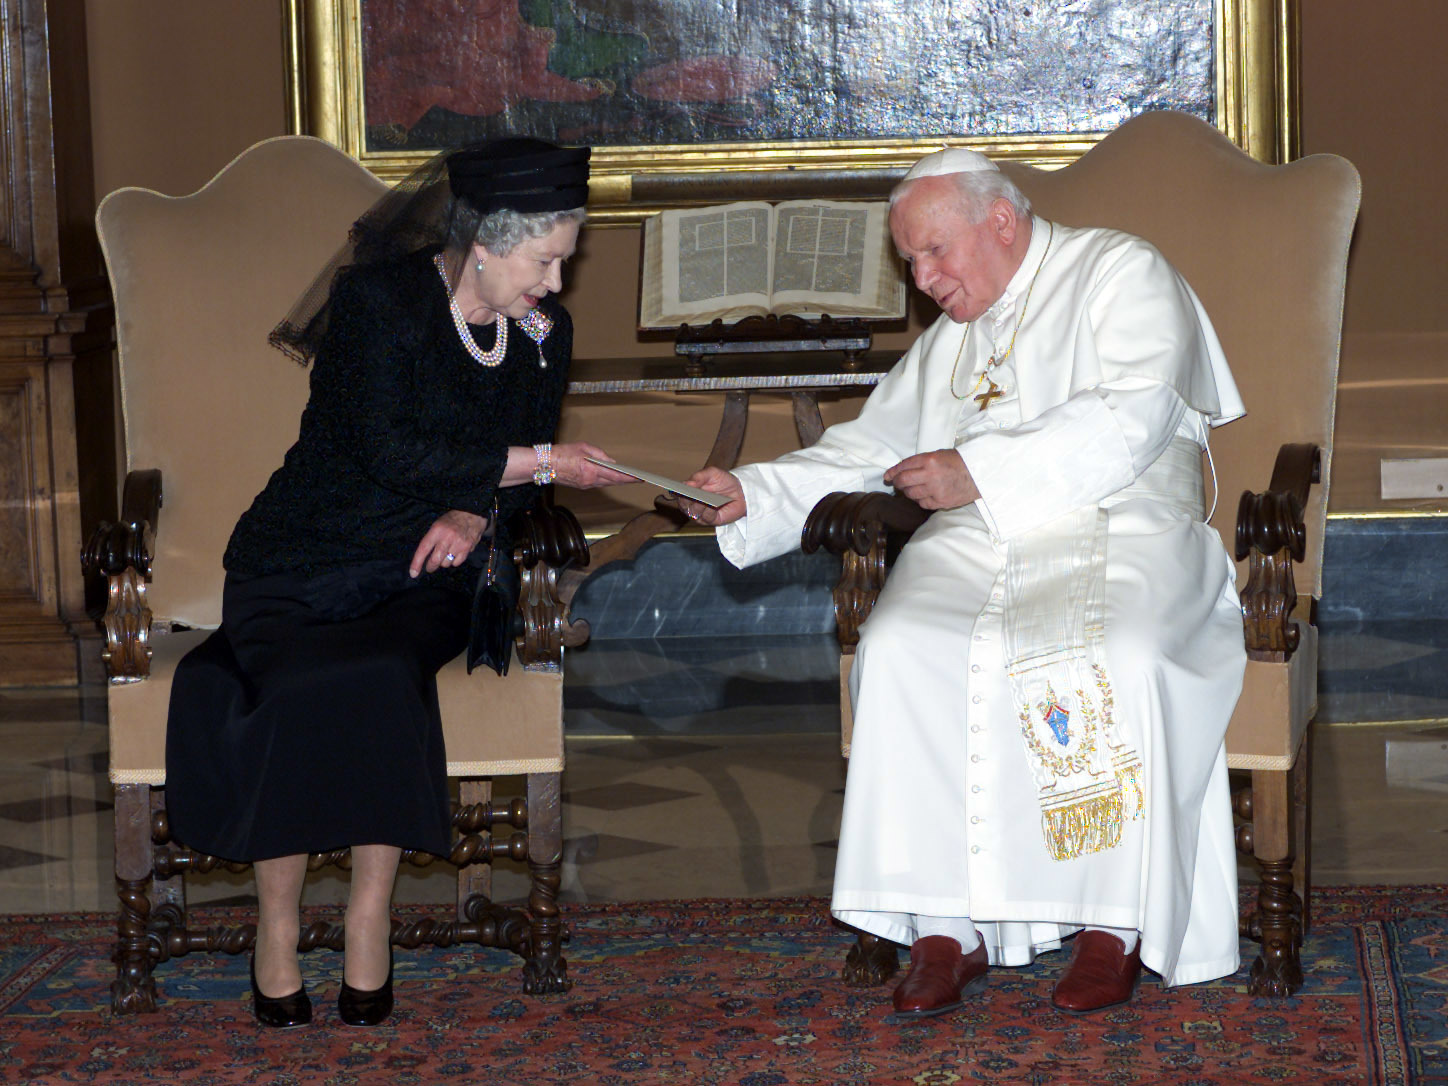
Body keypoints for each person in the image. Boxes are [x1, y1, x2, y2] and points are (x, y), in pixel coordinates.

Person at [678, 147, 1248, 1017]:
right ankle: (946, 926)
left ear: (1002, 221)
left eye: (935, 253)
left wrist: (976, 469)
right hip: (981, 536)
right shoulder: (953, 339)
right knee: (902, 646)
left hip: (1129, 524)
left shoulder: (1121, 270)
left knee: (1123, 650)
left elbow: (1133, 411)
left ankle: (1115, 926)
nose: (924, 279)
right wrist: (752, 491)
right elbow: (869, 448)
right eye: (910, 262)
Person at [164, 138, 630, 1028]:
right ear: (486, 242)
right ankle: (278, 921)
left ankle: (369, 914)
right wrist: (537, 461)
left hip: (428, 574)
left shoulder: (542, 334)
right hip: (303, 555)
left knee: (378, 673)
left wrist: (475, 511)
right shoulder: (378, 303)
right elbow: (385, 451)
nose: (558, 284)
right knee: (296, 682)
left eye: (567, 259)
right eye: (546, 260)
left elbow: (507, 482)